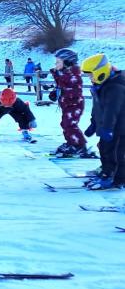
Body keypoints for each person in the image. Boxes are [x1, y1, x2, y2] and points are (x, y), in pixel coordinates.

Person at [81, 53, 124, 190]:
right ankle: (107, 172)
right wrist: (94, 124)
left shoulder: (115, 87)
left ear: (101, 72)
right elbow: (98, 108)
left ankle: (117, 179)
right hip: (108, 126)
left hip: (119, 128)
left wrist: (107, 128)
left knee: (117, 154)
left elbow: (112, 110)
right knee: (104, 149)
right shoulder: (100, 86)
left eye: (91, 75)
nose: (90, 78)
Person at [50, 49, 92, 158]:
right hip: (67, 105)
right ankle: (70, 143)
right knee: (65, 124)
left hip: (74, 105)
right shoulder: (65, 74)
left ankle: (80, 146)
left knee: (70, 125)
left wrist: (63, 92)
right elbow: (61, 85)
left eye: (58, 62)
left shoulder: (73, 75)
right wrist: (55, 92)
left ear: (67, 63)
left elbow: (74, 91)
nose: (55, 64)